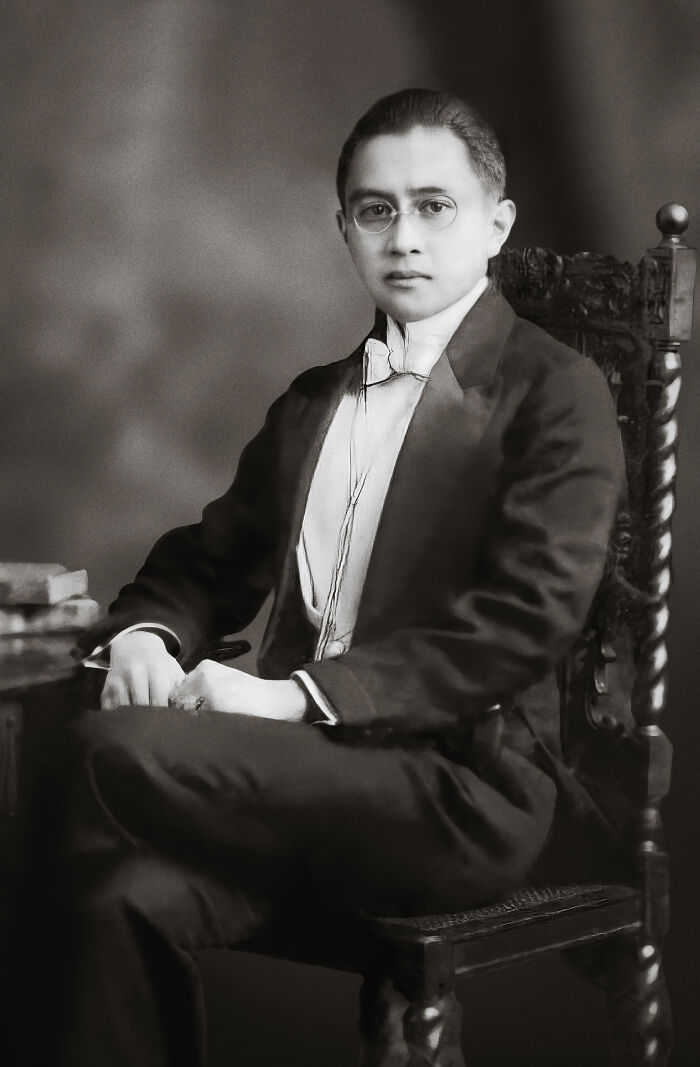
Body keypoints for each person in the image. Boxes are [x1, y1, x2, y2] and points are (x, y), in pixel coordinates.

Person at [12, 88, 624, 1066]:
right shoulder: (312, 404)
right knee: (111, 899)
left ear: (496, 224)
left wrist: (285, 698)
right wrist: (146, 635)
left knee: (99, 751)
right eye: (375, 210)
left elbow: (523, 620)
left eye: (435, 206)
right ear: (343, 228)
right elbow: (205, 560)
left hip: (456, 792)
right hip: (303, 791)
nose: (405, 237)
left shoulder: (554, 392)